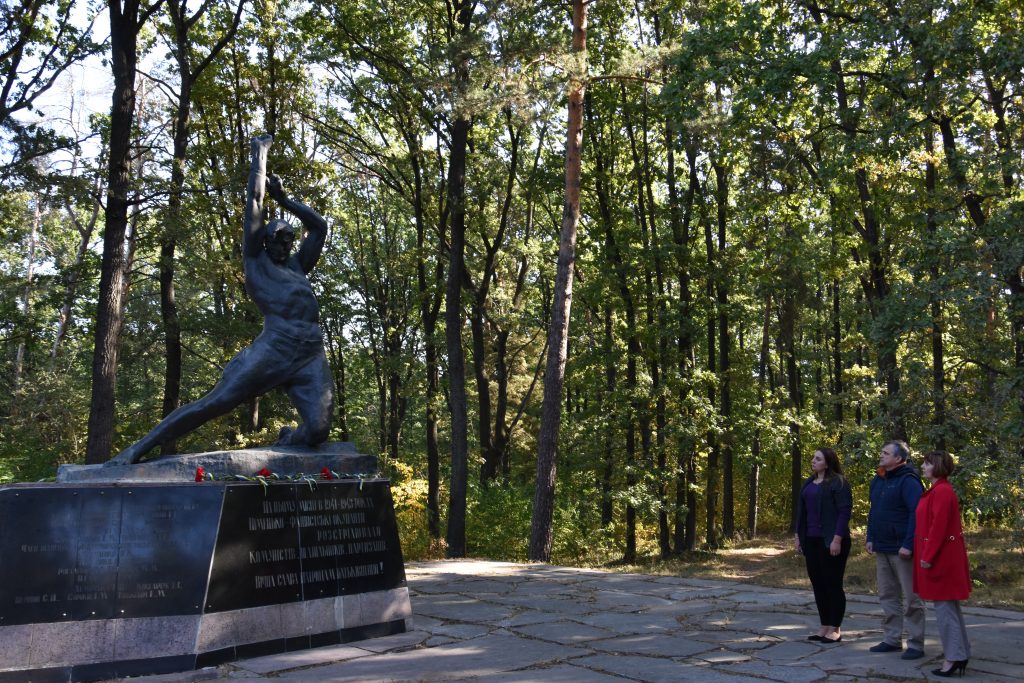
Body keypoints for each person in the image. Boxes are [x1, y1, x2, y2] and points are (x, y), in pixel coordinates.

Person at [106, 135, 333, 465]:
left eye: (289, 239)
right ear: (265, 241)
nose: (284, 245)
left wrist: (285, 199)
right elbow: (254, 201)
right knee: (215, 402)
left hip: (310, 353)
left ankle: (290, 439)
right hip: (277, 346)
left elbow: (320, 227)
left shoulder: (298, 266)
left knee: (318, 430)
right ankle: (137, 449)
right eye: (278, 239)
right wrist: (260, 154)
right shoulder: (256, 262)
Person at [866, 439, 926, 659]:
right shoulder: (879, 478)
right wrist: (870, 537)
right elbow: (874, 510)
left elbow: (916, 514)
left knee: (912, 599)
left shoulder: (909, 481)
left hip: (902, 549)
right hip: (882, 546)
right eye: (882, 452)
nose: (881, 455)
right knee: (887, 595)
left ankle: (916, 644)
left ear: (899, 458)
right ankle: (892, 639)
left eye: (886, 453)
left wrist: (908, 545)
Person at [914, 450, 972, 677]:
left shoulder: (942, 491)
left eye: (927, 464)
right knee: (949, 608)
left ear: (938, 466)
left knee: (945, 610)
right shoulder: (938, 490)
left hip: (941, 559)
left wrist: (927, 556)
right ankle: (959, 653)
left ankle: (954, 657)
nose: (923, 467)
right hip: (941, 557)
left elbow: (938, 528)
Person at [794, 447, 853, 643]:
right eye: (813, 458)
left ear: (828, 463)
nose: (813, 461)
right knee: (818, 583)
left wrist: (837, 539)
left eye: (818, 459)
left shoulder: (839, 483)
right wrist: (798, 536)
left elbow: (844, 512)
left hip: (831, 540)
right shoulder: (809, 482)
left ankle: (835, 628)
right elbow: (802, 512)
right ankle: (824, 625)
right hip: (811, 540)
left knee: (832, 584)